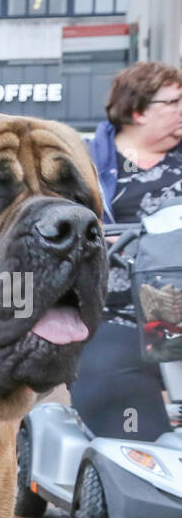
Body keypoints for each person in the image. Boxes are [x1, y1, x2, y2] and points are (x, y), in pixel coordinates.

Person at [75, 61, 182, 442]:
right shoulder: (86, 165)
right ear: (138, 111)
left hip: (176, 307)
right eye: (174, 102)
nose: (181, 109)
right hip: (122, 314)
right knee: (115, 383)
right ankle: (140, 453)